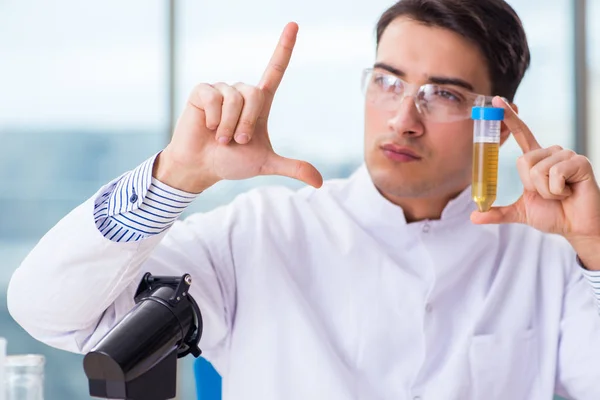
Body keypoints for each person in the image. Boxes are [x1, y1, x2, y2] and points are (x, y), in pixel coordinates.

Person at [7, 0, 600, 398]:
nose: (402, 118)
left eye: (442, 94)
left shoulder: (547, 255)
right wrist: (175, 177)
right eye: (386, 81)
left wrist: (595, 246)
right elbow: (47, 311)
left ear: (493, 124)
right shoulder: (262, 234)